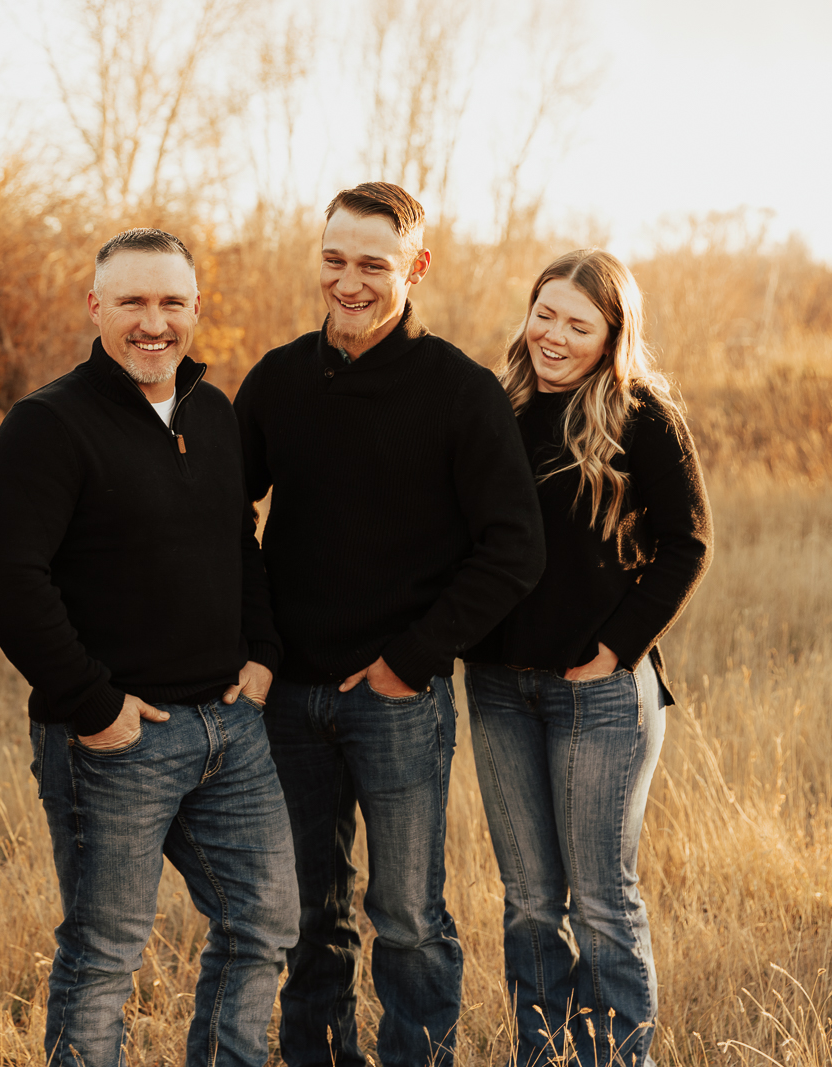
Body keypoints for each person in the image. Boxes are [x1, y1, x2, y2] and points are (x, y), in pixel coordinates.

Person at [233, 182, 546, 1067]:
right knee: (307, 917)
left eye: (373, 263)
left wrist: (410, 660)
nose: (350, 281)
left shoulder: (459, 390)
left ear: (417, 264)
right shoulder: (279, 379)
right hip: (288, 700)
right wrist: (259, 648)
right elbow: (221, 514)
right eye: (335, 260)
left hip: (398, 702)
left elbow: (513, 549)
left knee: (407, 919)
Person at [0, 227, 299, 1067]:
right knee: (105, 956)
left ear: (196, 310)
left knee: (263, 922)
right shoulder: (47, 425)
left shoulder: (213, 411)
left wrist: (261, 653)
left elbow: (240, 539)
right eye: (133, 302)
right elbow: (7, 579)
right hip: (118, 740)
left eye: (171, 303)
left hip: (231, 728)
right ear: (96, 307)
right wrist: (93, 704)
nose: (154, 323)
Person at [464, 248, 712, 1067]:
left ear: (612, 334)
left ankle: (615, 1058)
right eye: (546, 313)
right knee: (532, 901)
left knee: (602, 899)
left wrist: (615, 648)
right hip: (499, 687)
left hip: (600, 694)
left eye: (579, 323)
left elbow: (688, 544)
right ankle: (541, 1055)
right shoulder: (494, 409)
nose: (556, 335)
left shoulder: (640, 414)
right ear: (527, 312)